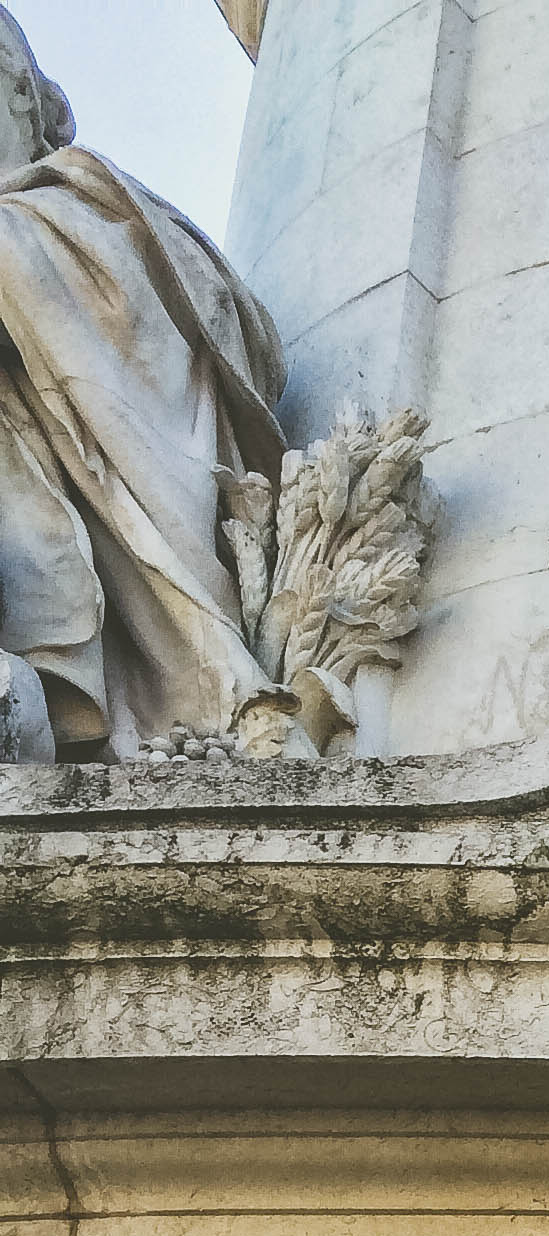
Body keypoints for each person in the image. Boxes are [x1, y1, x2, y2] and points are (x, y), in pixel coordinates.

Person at [0, 11, 289, 754]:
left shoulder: (87, 205)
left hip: (159, 502)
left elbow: (222, 346)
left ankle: (211, 677)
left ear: (21, 94)